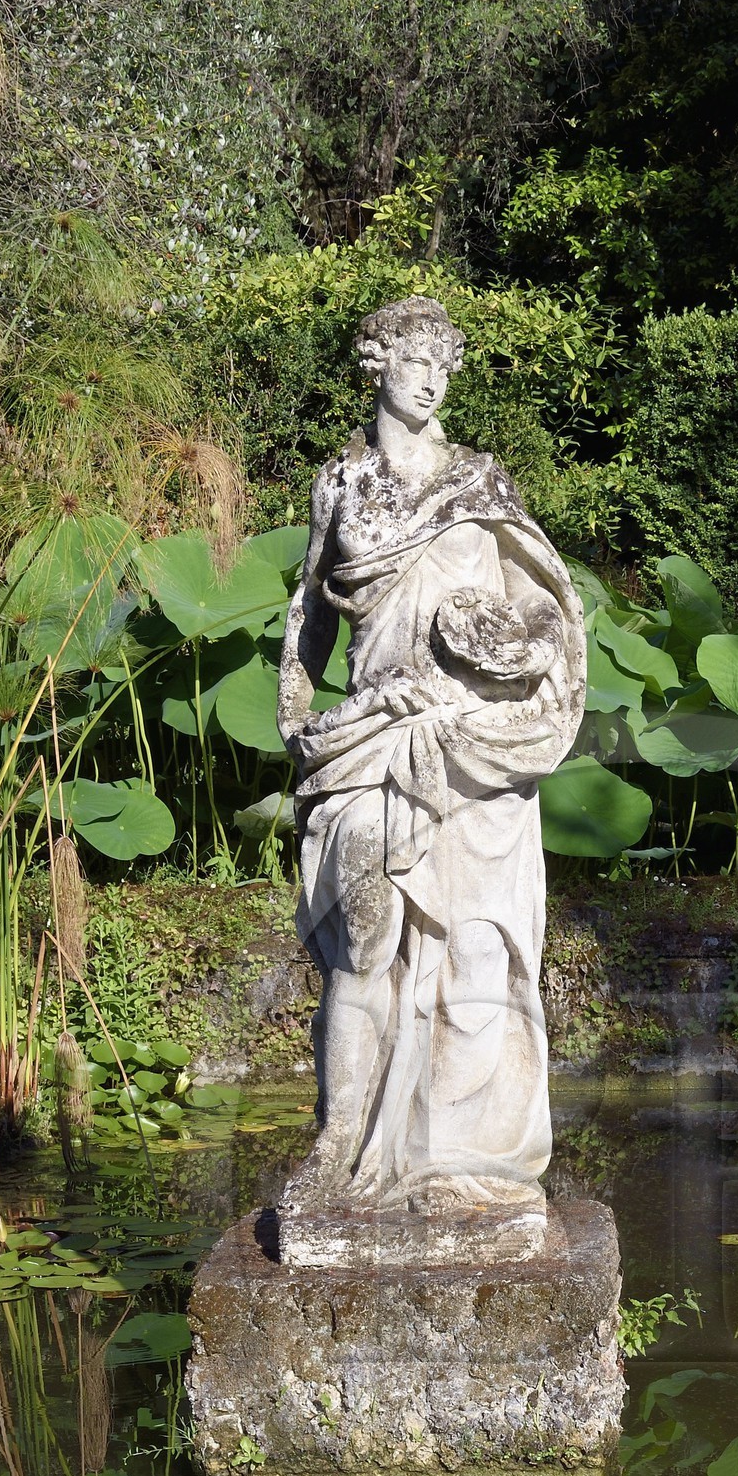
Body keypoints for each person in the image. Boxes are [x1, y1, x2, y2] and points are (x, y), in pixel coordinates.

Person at [276, 294, 585, 1221]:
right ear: (377, 364)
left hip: (471, 746)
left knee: (474, 951)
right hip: (375, 736)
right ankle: (340, 1140)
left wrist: (515, 650)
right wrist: (302, 732)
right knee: (366, 941)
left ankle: (457, 1153)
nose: (432, 377)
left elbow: (545, 612)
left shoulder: (481, 483)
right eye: (416, 360)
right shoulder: (343, 484)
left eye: (444, 363)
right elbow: (308, 629)